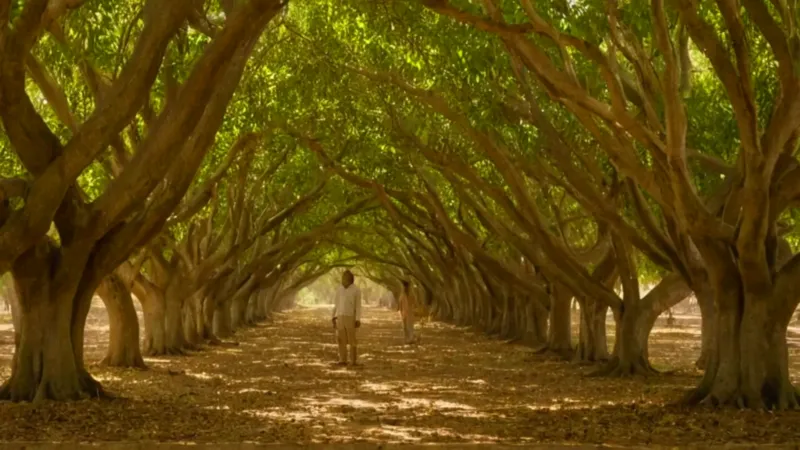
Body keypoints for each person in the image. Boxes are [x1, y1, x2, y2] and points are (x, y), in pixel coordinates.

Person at [332, 270, 362, 366]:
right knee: (341, 339)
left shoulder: (356, 290)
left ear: (350, 280)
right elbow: (336, 304)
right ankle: (342, 359)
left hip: (350, 317)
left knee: (352, 340)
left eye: (344, 278)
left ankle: (353, 361)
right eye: (342, 278)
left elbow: (358, 306)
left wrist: (357, 319)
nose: (342, 280)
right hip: (340, 316)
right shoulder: (339, 289)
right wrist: (333, 316)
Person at [398, 280, 416, 344]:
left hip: (409, 312)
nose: (405, 288)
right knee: (405, 327)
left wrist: (412, 308)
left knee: (409, 326)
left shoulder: (411, 294)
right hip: (404, 313)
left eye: (406, 287)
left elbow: (414, 302)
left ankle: (410, 339)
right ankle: (407, 339)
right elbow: (400, 304)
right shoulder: (402, 295)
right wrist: (400, 311)